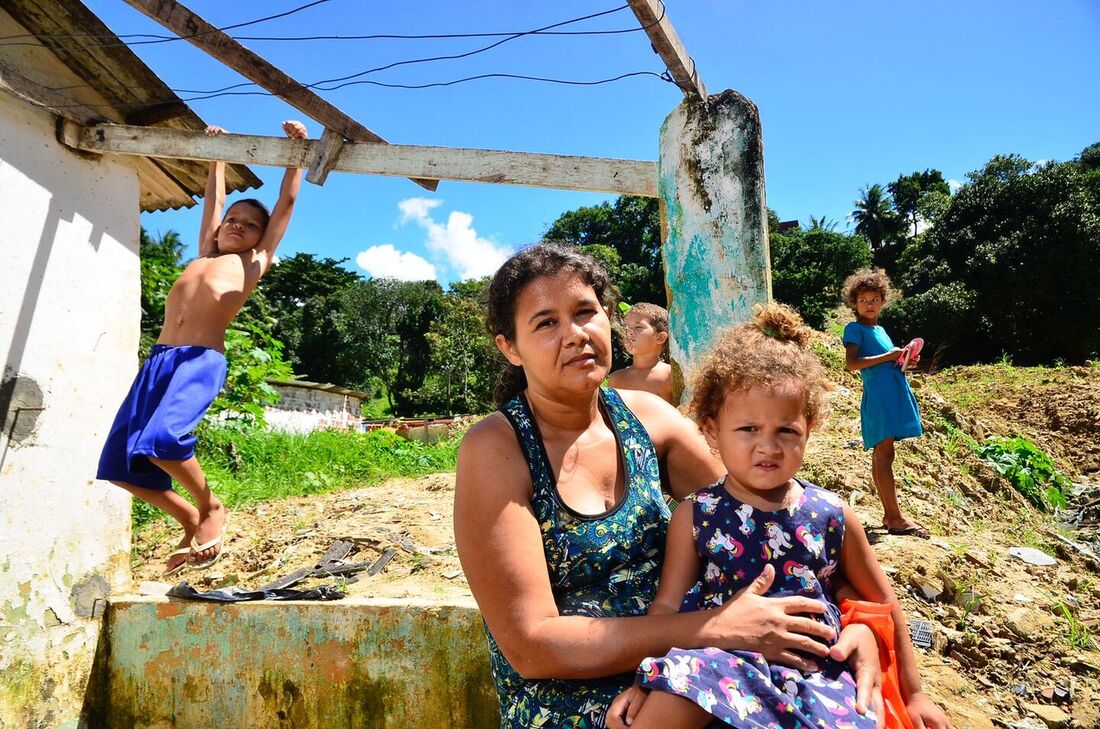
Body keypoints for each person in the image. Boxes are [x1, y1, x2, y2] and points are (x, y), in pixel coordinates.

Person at [454, 243, 885, 728]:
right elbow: (533, 647)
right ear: (510, 347)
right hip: (581, 696)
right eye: (546, 323)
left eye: (585, 312)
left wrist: (861, 625)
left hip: (705, 666)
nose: (575, 334)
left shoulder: (650, 420)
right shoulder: (497, 450)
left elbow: (773, 526)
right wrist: (713, 629)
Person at [606, 303, 951, 729]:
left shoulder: (833, 514)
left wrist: (915, 695)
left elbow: (882, 601)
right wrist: (648, 678)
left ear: (809, 428)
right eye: (748, 429)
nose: (768, 447)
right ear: (712, 431)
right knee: (670, 700)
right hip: (720, 658)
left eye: (786, 431)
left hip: (815, 669)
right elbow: (667, 606)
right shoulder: (695, 513)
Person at [97, 120, 309, 576]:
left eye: (250, 225)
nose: (237, 225)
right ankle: (189, 519)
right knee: (117, 463)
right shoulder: (203, 253)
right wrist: (218, 157)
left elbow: (286, 203)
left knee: (163, 441)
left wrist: (298, 151)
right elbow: (214, 202)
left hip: (198, 361)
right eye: (233, 220)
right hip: (156, 364)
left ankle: (211, 506)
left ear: (260, 238)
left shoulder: (251, 263)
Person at [841, 268, 928, 538]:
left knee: (887, 454)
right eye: (863, 299)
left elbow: (887, 360)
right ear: (854, 303)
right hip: (879, 397)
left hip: (892, 391)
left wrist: (903, 361)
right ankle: (893, 516)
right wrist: (888, 356)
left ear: (883, 300)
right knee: (883, 454)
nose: (869, 304)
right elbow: (852, 364)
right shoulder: (854, 329)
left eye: (875, 298)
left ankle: (892, 515)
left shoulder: (880, 329)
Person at [609, 303, 675, 404]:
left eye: (638, 327)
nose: (629, 332)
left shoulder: (670, 375)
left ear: (660, 337)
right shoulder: (616, 378)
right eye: (626, 327)